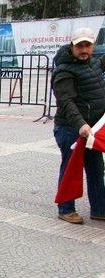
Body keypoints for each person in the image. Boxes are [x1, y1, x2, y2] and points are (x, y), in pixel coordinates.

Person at [52, 27, 105, 225]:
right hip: (70, 128)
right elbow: (66, 102)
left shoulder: (93, 63)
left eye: (87, 45)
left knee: (96, 168)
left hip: (93, 129)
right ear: (72, 46)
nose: (84, 50)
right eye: (80, 46)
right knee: (70, 169)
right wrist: (81, 124)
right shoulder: (64, 71)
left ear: (93, 46)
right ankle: (65, 209)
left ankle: (100, 209)